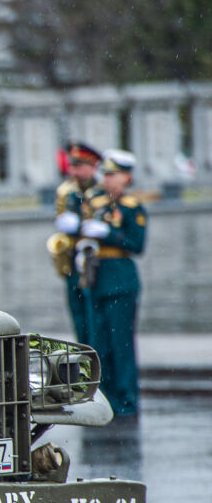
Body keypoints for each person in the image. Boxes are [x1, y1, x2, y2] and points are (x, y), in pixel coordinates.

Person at [79, 149, 145, 418]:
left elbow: (137, 244)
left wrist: (110, 234)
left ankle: (127, 400)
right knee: (99, 344)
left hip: (120, 280)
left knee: (122, 345)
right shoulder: (97, 205)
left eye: (112, 174)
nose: (107, 180)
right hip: (97, 280)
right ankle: (105, 399)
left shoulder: (132, 207)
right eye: (105, 175)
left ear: (127, 177)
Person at [49, 141, 102, 344]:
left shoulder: (101, 191)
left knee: (95, 323)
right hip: (72, 262)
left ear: (92, 166)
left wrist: (79, 224)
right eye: (72, 166)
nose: (73, 172)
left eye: (78, 167)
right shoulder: (67, 190)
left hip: (93, 261)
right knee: (79, 320)